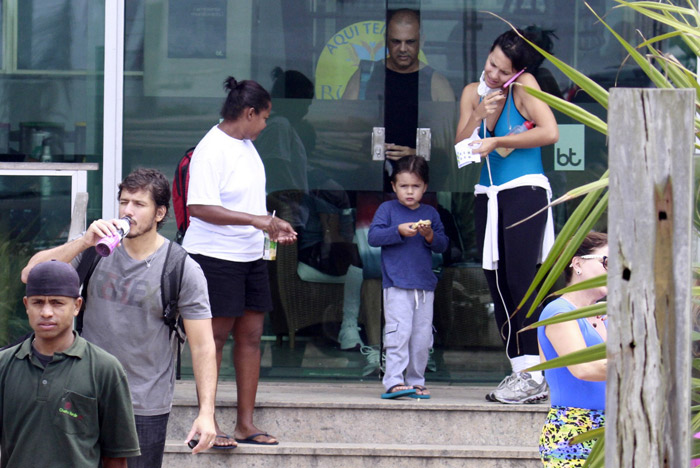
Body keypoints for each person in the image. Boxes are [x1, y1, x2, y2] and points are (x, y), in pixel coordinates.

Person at [21, 169, 219, 464]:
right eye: (124, 202)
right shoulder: (94, 248)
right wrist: (83, 242)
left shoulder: (180, 268)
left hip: (143, 403)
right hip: (83, 393)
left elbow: (203, 345)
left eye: (139, 204)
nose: (128, 211)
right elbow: (30, 275)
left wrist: (206, 413)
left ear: (159, 213)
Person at [183, 76, 297, 446]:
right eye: (263, 117)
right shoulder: (211, 148)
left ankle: (246, 424)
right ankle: (209, 424)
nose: (266, 124)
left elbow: (247, 204)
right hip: (215, 257)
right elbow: (198, 207)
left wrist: (270, 225)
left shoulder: (247, 145)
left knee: (250, 338)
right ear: (248, 113)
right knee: (213, 340)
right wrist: (256, 220)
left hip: (250, 254)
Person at [455, 29, 559, 404]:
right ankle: (521, 371)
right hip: (488, 193)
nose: (493, 74)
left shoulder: (525, 86)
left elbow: (550, 132)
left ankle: (535, 373)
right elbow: (462, 149)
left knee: (520, 279)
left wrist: (499, 140)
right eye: (491, 63)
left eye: (502, 70)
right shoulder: (472, 92)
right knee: (495, 280)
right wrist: (480, 115)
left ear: (518, 71)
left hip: (525, 191)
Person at [1, 260, 141, 467]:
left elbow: (116, 456)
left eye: (57, 303)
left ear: (76, 306)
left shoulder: (104, 369)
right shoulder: (4, 365)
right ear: (26, 306)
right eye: (38, 302)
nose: (46, 312)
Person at [343, 8, 455, 191]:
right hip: (370, 182)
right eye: (396, 42)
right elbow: (342, 132)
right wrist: (368, 145)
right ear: (386, 41)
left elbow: (449, 146)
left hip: (418, 189)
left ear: (422, 40)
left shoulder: (436, 83)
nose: (403, 49)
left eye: (410, 42)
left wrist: (417, 155)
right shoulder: (365, 77)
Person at [368, 156, 448, 399]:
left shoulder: (430, 213)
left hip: (424, 286)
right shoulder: (387, 209)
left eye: (415, 186)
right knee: (398, 333)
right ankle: (393, 380)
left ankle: (416, 380)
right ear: (394, 187)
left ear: (425, 187)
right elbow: (374, 237)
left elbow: (443, 245)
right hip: (396, 284)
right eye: (404, 186)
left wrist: (429, 235)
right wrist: (398, 231)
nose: (410, 192)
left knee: (422, 337)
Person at [538, 232, 608, 466]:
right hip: (575, 429)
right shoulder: (559, 312)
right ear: (577, 263)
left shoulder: (604, 314)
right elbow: (583, 368)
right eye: (607, 262)